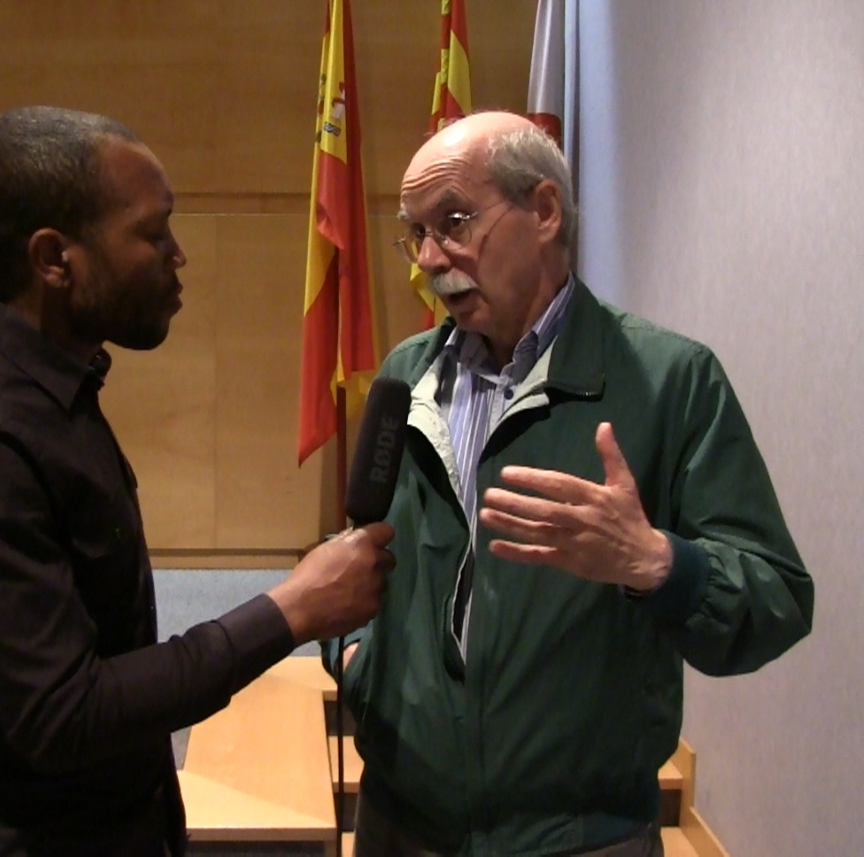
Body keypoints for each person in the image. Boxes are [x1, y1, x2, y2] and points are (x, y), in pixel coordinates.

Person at [0, 106, 394, 857]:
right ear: (56, 259)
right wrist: (290, 611)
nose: (178, 255)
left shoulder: (54, 390)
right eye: (153, 235)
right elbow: (64, 716)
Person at [329, 111, 814, 856]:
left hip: (582, 838)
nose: (429, 258)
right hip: (403, 829)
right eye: (416, 233)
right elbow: (366, 546)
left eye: (453, 222)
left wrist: (657, 564)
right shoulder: (406, 375)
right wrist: (357, 659)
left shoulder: (669, 380)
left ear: (545, 210)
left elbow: (776, 597)